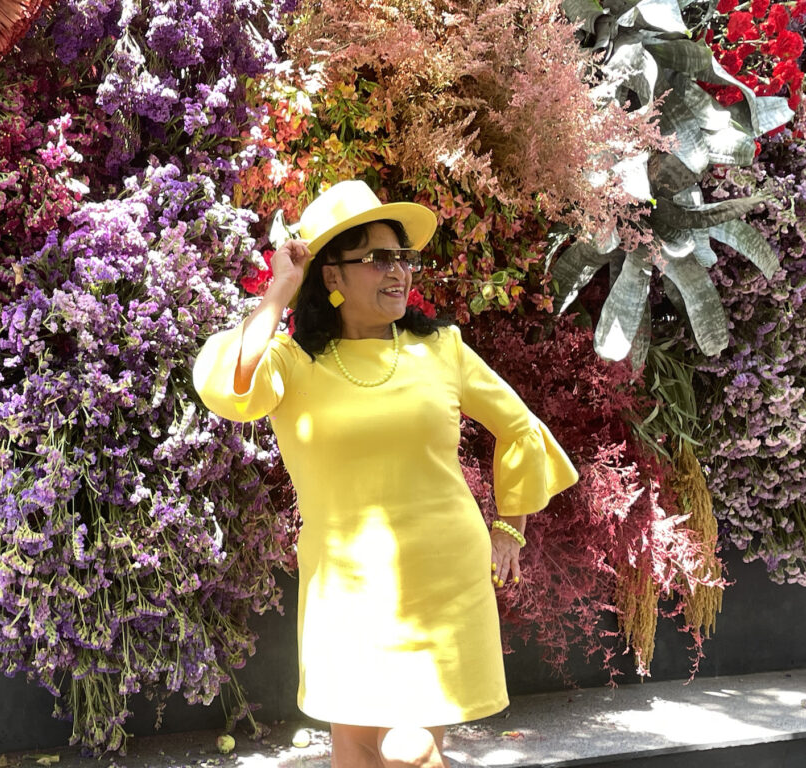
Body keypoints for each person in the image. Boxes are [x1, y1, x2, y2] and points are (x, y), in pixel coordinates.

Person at [193, 180, 578, 768]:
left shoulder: (442, 349)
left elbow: (521, 428)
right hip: (343, 583)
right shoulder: (291, 364)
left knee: (409, 751)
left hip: (441, 577)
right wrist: (280, 286)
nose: (398, 271)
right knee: (356, 750)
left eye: (403, 257)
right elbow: (230, 382)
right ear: (333, 276)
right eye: (377, 258)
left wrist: (511, 528)